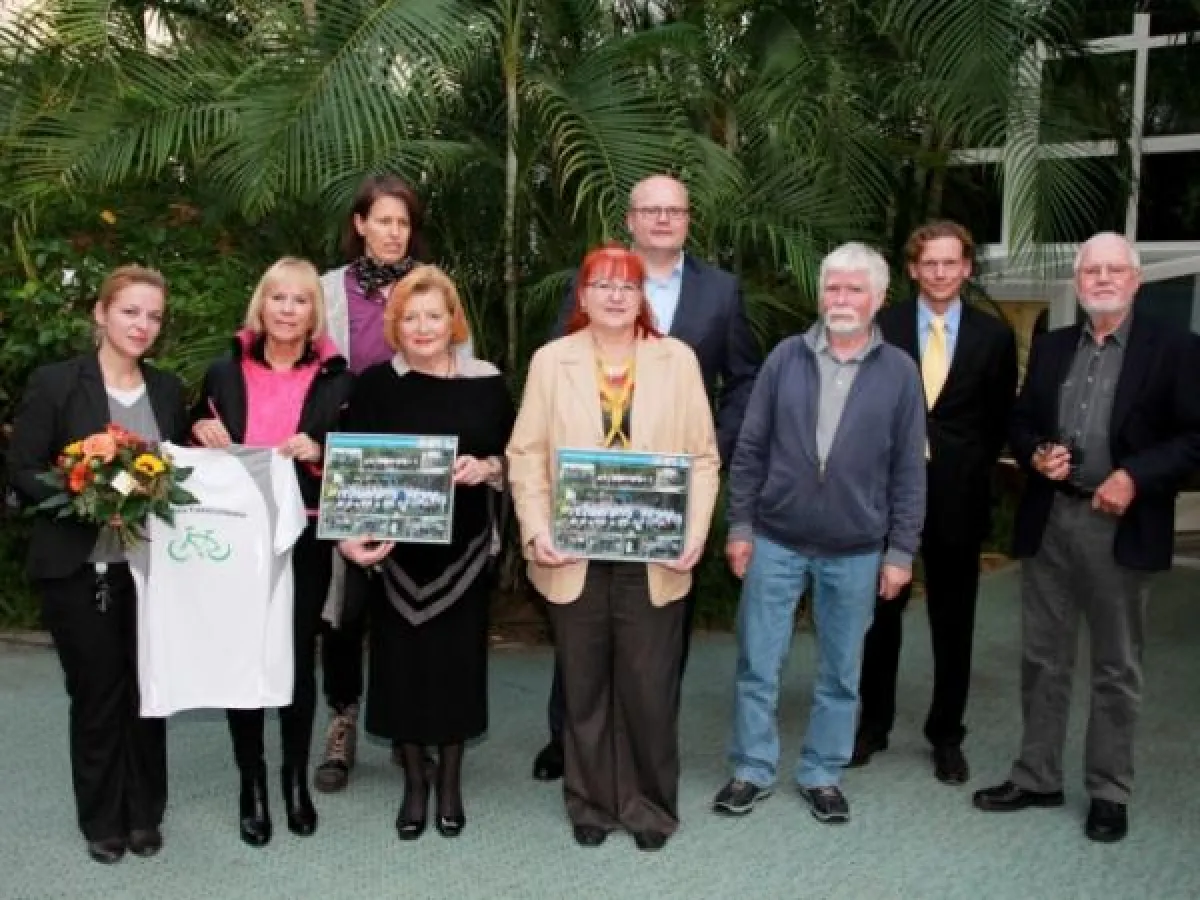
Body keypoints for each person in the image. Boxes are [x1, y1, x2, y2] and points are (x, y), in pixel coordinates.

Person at [533, 173, 760, 782]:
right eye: (650, 210)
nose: (662, 219)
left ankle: (645, 739)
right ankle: (567, 740)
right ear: (630, 219)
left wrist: (710, 449)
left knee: (661, 626)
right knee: (580, 616)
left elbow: (743, 379)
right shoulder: (595, 279)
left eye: (674, 211)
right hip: (590, 488)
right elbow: (557, 367)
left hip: (668, 491)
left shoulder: (721, 291)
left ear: (688, 220)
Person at [973, 232, 1200, 843]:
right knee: (1042, 658)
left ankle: (1108, 790)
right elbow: (1021, 421)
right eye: (1091, 271)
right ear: (1078, 282)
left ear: (1135, 280)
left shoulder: (1175, 348)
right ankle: (1037, 776)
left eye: (1113, 270)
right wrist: (1035, 454)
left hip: (1121, 526)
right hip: (1052, 518)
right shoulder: (1052, 346)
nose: (1101, 279)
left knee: (1115, 665)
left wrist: (1135, 476)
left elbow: (1194, 438)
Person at [507, 244, 721, 851]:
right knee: (585, 686)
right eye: (602, 284)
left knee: (648, 687)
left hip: (654, 554)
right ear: (583, 295)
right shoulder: (552, 362)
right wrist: (536, 530)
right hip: (572, 554)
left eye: (627, 285)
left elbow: (703, 458)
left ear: (642, 296)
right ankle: (592, 803)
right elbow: (525, 454)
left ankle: (649, 806)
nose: (616, 295)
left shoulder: (677, 361)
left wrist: (694, 533)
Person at [712, 242, 926, 826]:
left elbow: (909, 469)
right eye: (833, 286)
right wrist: (741, 525)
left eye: (855, 288)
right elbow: (751, 449)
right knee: (758, 663)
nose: (842, 298)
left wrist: (901, 551)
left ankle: (822, 773)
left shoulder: (900, 372)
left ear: (879, 298)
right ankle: (752, 768)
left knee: (841, 672)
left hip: (856, 549)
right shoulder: (785, 358)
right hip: (775, 539)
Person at [6, 265, 188, 864]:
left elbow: (179, 472)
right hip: (78, 568)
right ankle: (103, 818)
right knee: (97, 694)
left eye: (153, 316)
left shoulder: (167, 390)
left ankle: (144, 813)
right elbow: (23, 468)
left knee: (147, 692)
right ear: (102, 313)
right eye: (130, 311)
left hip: (151, 572)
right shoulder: (57, 383)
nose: (142, 325)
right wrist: (87, 494)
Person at [336, 266, 513, 841]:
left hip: (465, 551)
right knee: (401, 669)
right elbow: (353, 470)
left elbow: (516, 456)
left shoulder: (487, 383)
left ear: (452, 320)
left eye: (433, 316)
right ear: (395, 324)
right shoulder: (374, 386)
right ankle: (415, 782)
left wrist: (487, 467)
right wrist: (351, 536)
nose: (422, 327)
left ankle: (451, 781)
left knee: (458, 666)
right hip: (395, 555)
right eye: (410, 317)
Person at [316, 174, 470, 793]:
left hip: (420, 474)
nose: (393, 232)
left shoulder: (433, 288)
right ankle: (342, 718)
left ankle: (411, 728)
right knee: (346, 608)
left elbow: (463, 376)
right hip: (348, 467)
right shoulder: (326, 291)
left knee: (412, 608)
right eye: (382, 220)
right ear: (360, 224)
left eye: (403, 223)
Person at [190, 257, 352, 846]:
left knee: (295, 656)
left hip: (305, 533)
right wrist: (198, 431)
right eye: (278, 298)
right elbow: (192, 436)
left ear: (315, 312)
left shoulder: (339, 379)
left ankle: (293, 781)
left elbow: (358, 456)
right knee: (244, 657)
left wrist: (323, 448)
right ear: (261, 305)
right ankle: (251, 782)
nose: (287, 309)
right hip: (237, 535)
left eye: (300, 300)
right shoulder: (222, 371)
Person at [853, 222, 1018, 784]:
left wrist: (967, 471)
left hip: (958, 498)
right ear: (913, 269)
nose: (941, 272)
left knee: (954, 620)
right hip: (885, 495)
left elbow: (997, 420)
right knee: (880, 616)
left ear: (967, 268)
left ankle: (946, 734)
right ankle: (873, 724)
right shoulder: (884, 327)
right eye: (930, 263)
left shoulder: (994, 336)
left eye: (951, 263)